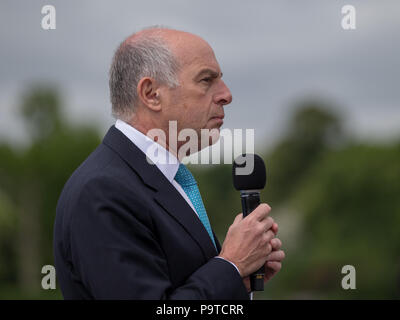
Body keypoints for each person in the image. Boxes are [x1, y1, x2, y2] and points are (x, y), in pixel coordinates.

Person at [53, 27, 285, 299]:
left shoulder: (166, 180)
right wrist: (231, 265)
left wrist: (238, 282)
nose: (226, 95)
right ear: (151, 94)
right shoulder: (103, 191)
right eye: (206, 80)